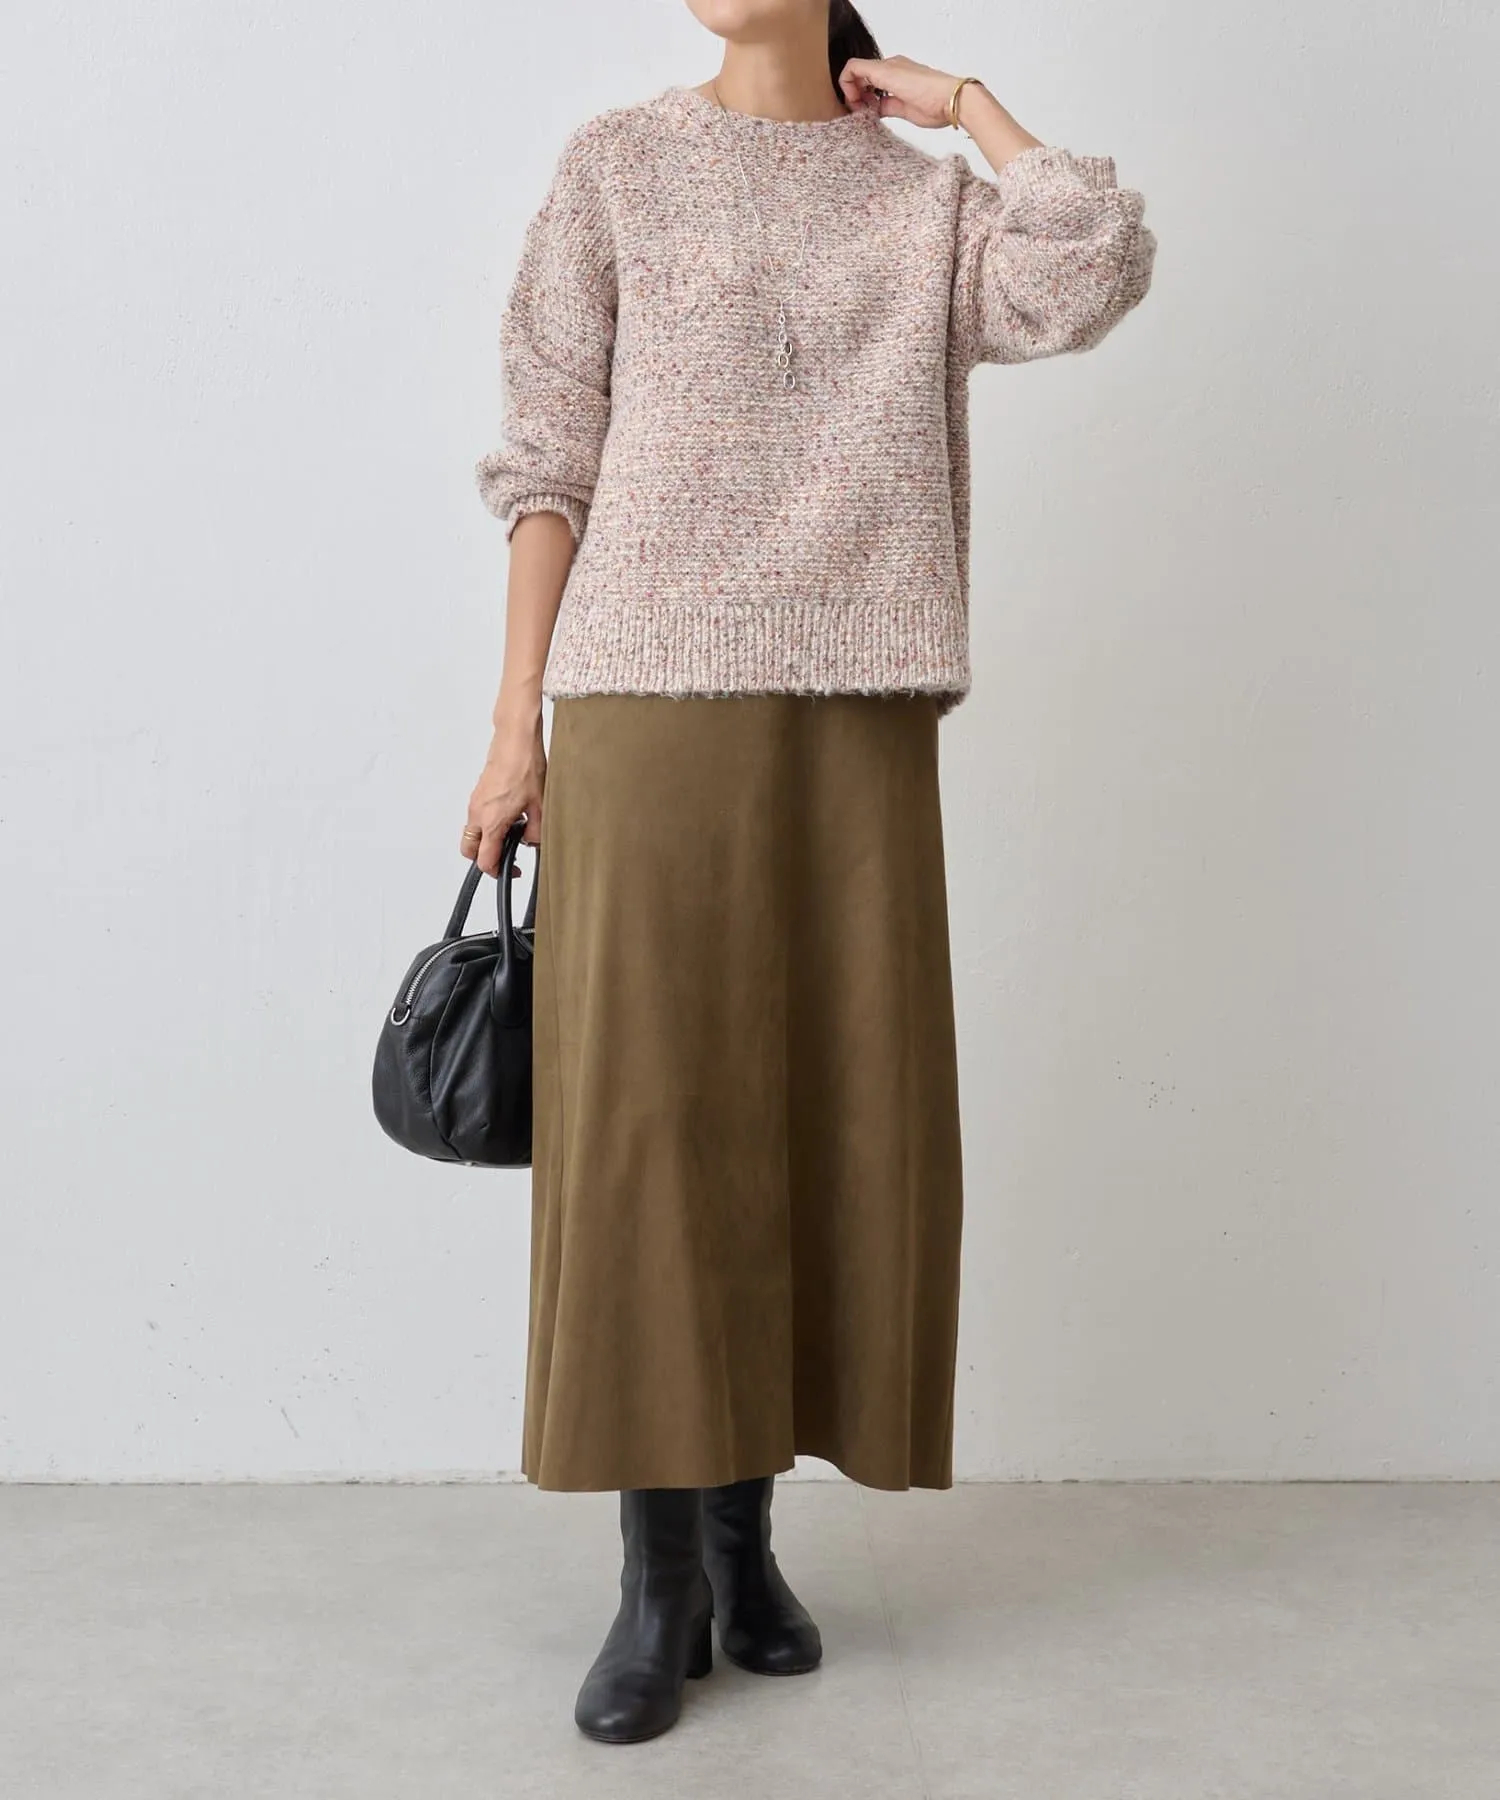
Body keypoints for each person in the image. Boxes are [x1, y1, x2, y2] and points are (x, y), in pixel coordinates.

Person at [463, 0, 1156, 1746]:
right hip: (644, 701)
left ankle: (747, 1545)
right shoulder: (620, 166)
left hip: (858, 704)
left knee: (823, 1116)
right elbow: (548, 453)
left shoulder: (925, 204)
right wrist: (513, 725)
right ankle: (658, 1581)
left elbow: (1094, 265)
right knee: (654, 1132)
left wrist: (966, 103)